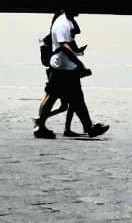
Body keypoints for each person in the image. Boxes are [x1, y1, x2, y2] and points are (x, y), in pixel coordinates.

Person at [34, 9, 107, 140]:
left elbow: (72, 39)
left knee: (77, 99)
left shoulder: (68, 21)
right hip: (61, 68)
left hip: (67, 67)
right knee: (53, 98)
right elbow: (64, 46)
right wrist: (80, 64)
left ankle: (89, 127)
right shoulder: (62, 24)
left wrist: (77, 51)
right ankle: (40, 126)